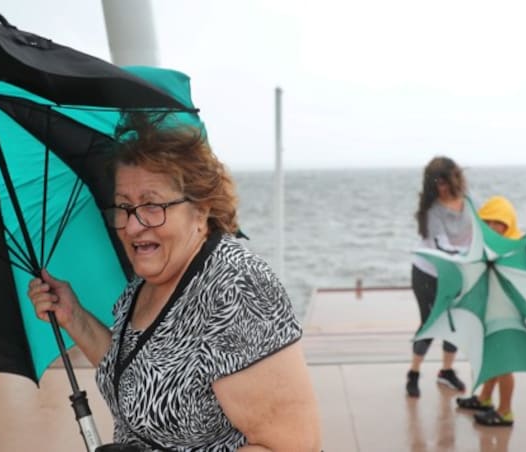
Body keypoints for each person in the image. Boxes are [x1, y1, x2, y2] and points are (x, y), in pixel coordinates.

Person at [27, 117, 321, 451]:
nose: (134, 226)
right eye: (124, 206)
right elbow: (140, 372)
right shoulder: (145, 284)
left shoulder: (236, 289)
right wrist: (73, 317)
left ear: (200, 210)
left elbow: (295, 445)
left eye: (152, 205)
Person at [456, 195, 522, 427]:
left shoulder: (515, 248)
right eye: (488, 222)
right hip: (493, 312)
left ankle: (505, 412)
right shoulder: (487, 247)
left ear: (509, 223)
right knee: (492, 358)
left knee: (503, 363)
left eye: (499, 222)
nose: (493, 227)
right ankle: (484, 399)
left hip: (509, 315)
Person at [406, 156, 470, 397]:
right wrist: (469, 256)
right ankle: (413, 373)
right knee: (430, 325)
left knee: (453, 324)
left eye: (445, 182)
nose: (441, 188)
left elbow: (478, 237)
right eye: (436, 184)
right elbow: (441, 246)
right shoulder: (432, 211)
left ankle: (446, 372)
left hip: (457, 273)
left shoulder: (469, 204)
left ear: (455, 179)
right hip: (427, 273)